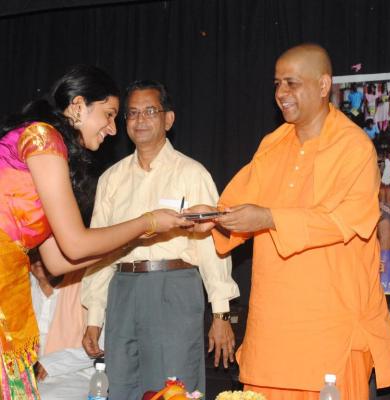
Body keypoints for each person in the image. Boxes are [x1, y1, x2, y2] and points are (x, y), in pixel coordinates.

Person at [188, 44, 390, 400]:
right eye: (277, 84)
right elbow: (236, 206)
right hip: (273, 328)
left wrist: (270, 217)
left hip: (331, 326)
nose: (281, 94)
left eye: (291, 83)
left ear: (323, 85)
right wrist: (211, 219)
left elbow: (346, 220)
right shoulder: (273, 145)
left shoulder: (353, 147)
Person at [0, 66, 190, 399]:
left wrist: (131, 242)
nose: (113, 129)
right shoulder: (42, 138)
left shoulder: (44, 149)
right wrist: (147, 223)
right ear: (77, 106)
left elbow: (58, 262)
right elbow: (75, 244)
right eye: (109, 114)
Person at [81, 80, 240, 400]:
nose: (140, 120)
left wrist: (221, 313)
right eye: (133, 113)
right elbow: (98, 250)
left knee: (174, 388)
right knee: (121, 385)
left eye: (150, 111)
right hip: (122, 289)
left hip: (174, 287)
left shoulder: (192, 173)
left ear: (168, 119)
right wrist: (94, 316)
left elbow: (211, 247)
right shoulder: (112, 179)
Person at [30, 256, 97, 400]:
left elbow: (102, 344)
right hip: (22, 375)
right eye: (35, 252)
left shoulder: (88, 281)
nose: (39, 260)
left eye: (45, 253)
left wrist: (52, 363)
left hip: (74, 374)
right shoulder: (18, 287)